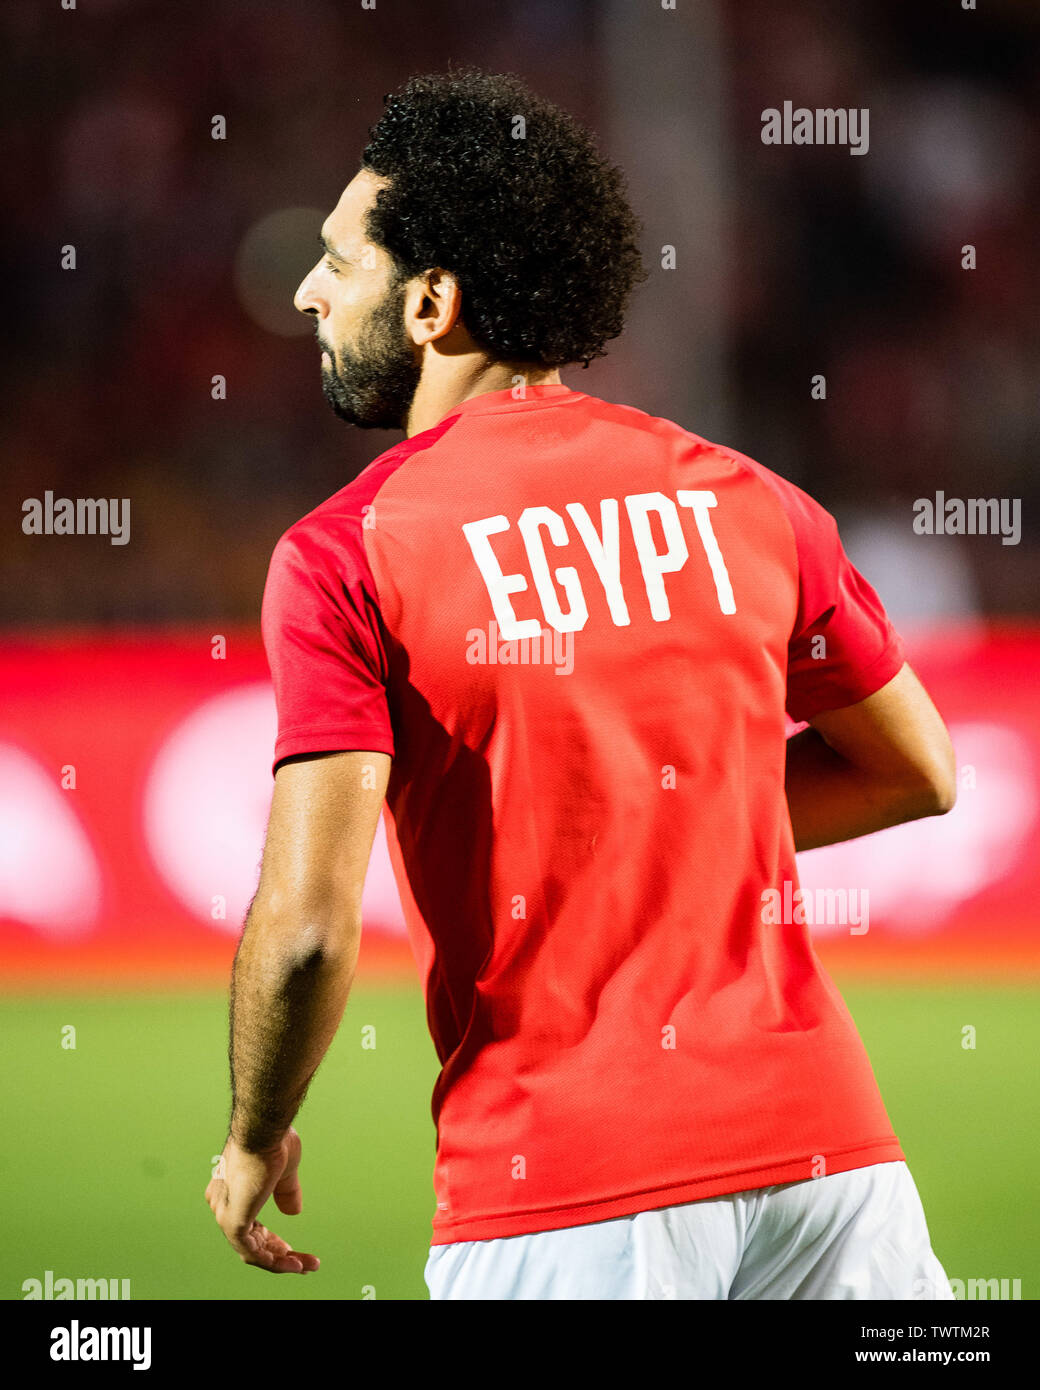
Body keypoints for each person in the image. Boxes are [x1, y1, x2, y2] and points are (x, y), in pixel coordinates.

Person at [205, 68, 956, 1300]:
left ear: (432, 303)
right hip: (834, 1172)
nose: (306, 290)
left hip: (565, 1192)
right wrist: (674, 827)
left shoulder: (346, 553)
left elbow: (303, 935)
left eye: (339, 262)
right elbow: (915, 770)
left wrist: (251, 1132)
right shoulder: (748, 498)